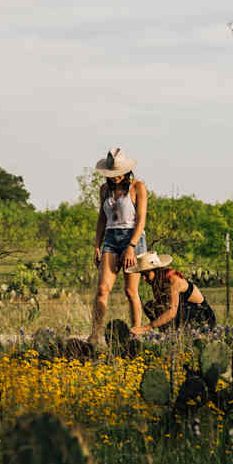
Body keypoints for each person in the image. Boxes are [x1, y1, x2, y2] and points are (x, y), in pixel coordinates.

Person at [89, 148, 147, 350]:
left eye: (117, 174)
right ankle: (95, 335)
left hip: (133, 237)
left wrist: (131, 247)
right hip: (111, 238)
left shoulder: (138, 187)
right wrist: (97, 245)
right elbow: (101, 218)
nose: (114, 179)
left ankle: (136, 335)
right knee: (102, 289)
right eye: (111, 175)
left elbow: (141, 220)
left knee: (131, 291)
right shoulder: (104, 190)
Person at [129, 251, 217, 334]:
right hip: (183, 314)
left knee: (167, 311)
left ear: (156, 270)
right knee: (151, 306)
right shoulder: (156, 281)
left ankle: (174, 335)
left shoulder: (173, 279)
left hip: (201, 316)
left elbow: (171, 312)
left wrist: (146, 328)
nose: (144, 278)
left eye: (146, 274)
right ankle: (168, 336)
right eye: (142, 275)